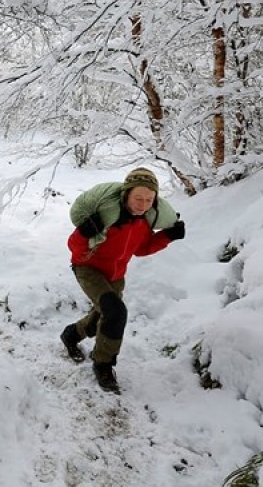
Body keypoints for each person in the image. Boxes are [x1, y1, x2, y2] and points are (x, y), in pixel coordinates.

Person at [60, 167, 186, 393]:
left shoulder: (143, 222)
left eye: (149, 200)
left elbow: (142, 249)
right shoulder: (107, 216)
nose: (143, 204)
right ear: (126, 193)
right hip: (88, 269)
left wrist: (167, 236)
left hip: (116, 275)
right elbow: (74, 248)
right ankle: (103, 365)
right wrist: (84, 232)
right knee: (115, 312)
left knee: (104, 313)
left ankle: (71, 334)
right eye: (138, 198)